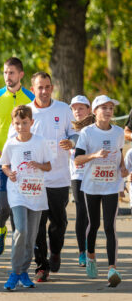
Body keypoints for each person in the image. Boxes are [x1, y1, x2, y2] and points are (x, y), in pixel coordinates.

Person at [10, 72, 76, 282]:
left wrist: (71, 142)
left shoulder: (64, 109)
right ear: (33, 88)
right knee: (37, 227)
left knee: (59, 223)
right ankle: (41, 266)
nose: (44, 91)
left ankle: (55, 250)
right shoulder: (28, 112)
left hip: (58, 178)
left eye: (48, 87)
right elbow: (16, 141)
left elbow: (74, 133)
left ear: (52, 88)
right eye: (40, 87)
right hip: (34, 182)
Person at [0, 57, 35, 255]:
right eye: (5, 72)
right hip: (0, 160)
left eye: (11, 72)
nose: (7, 77)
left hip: (24, 161)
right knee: (4, 207)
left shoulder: (30, 98)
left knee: (19, 207)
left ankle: (17, 251)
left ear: (21, 75)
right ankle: (0, 228)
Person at [75, 95, 127, 287]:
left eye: (111, 108)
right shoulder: (87, 133)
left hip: (112, 185)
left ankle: (112, 268)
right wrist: (95, 155)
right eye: (104, 107)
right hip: (92, 185)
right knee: (94, 224)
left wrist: (122, 168)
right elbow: (77, 160)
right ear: (95, 111)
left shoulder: (118, 132)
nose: (108, 111)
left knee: (109, 226)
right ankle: (90, 256)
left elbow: (119, 152)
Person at [0, 105, 53, 290]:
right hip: (17, 194)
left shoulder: (40, 141)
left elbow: (48, 166)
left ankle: (24, 272)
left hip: (36, 195)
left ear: (32, 122)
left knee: (31, 238)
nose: (21, 127)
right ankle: (14, 273)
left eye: (24, 123)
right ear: (13, 125)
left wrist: (38, 164)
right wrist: (9, 173)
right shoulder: (11, 143)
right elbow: (4, 164)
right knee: (20, 230)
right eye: (17, 124)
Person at [68, 95, 92, 267]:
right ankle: (82, 252)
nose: (77, 111)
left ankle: (89, 247)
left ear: (89, 110)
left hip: (93, 175)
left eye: (81, 108)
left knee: (92, 216)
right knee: (81, 212)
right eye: (74, 108)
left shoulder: (96, 128)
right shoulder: (68, 129)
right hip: (77, 175)